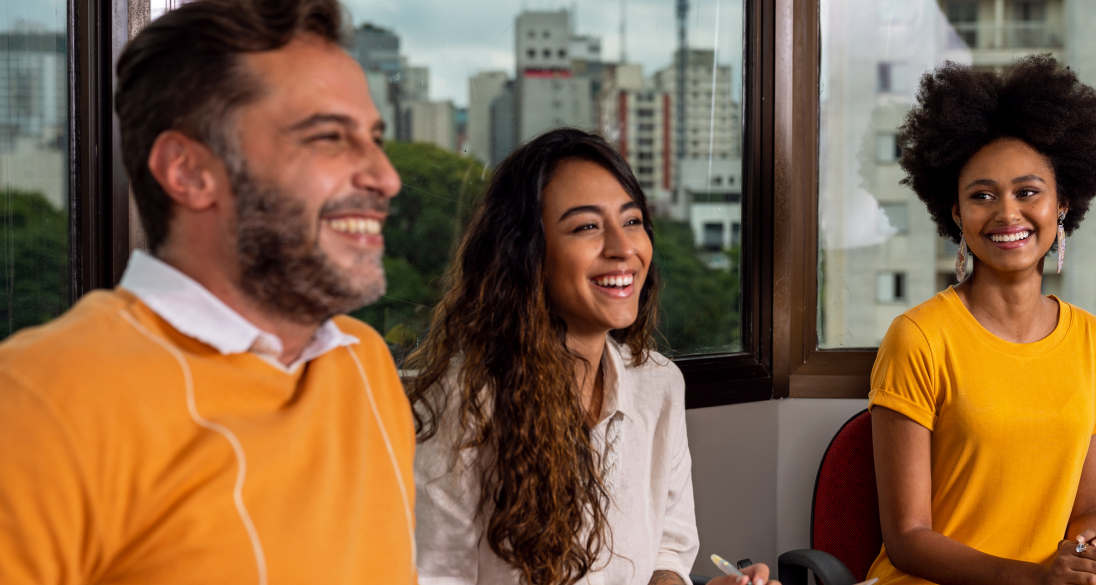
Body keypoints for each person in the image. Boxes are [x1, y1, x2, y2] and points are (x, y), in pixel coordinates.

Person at [0, 0, 415, 582]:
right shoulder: (40, 399)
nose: (385, 176)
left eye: (374, 138)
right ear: (189, 172)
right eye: (328, 137)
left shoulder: (362, 364)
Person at [407, 128, 777, 585]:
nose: (623, 249)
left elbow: (668, 551)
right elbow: (434, 576)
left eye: (632, 221)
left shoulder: (658, 384)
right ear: (526, 254)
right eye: (586, 227)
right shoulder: (460, 402)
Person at [867, 55, 1096, 585]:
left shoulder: (1091, 340)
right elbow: (908, 539)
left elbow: (1089, 511)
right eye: (982, 196)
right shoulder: (918, 337)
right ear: (956, 214)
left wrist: (1091, 557)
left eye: (1028, 192)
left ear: (1062, 204)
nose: (1007, 214)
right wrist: (1036, 578)